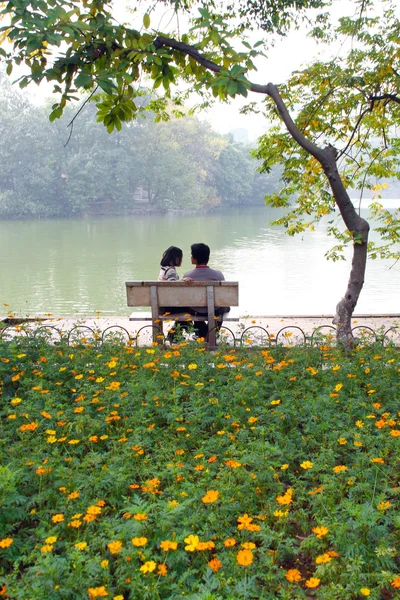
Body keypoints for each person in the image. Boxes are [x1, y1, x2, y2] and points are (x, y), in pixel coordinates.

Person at [183, 242, 230, 339]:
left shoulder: (187, 275)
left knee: (193, 306)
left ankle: (203, 335)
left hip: (195, 310)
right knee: (224, 307)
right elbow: (223, 296)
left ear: (194, 258)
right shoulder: (218, 275)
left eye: (192, 255)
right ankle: (211, 334)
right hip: (214, 310)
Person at [158, 246, 192, 342]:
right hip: (168, 306)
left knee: (187, 308)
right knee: (191, 309)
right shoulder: (171, 271)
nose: (181, 260)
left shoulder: (164, 269)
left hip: (161, 304)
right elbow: (172, 287)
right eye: (181, 258)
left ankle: (176, 333)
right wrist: (182, 280)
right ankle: (174, 334)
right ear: (176, 258)